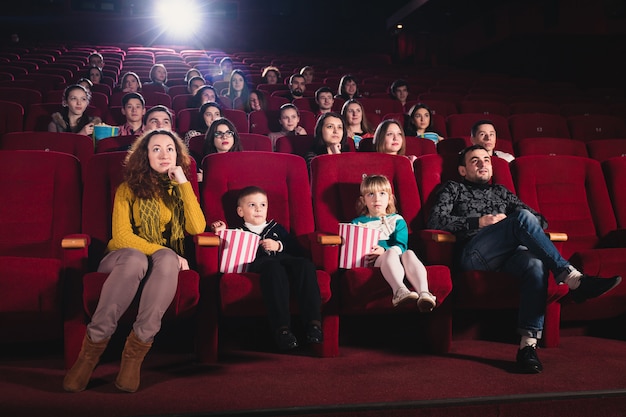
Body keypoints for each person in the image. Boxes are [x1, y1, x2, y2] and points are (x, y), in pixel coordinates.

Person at [426, 144, 622, 373]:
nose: (483, 164)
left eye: (486, 160)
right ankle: (573, 279)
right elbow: (435, 221)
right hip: (475, 253)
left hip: (509, 254)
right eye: (475, 160)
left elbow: (540, 220)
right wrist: (479, 222)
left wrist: (509, 225)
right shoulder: (453, 188)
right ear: (462, 170)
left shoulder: (500, 191)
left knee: (536, 263)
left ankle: (527, 347)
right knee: (521, 219)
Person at [63, 129, 207, 393]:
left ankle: (135, 354)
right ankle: (89, 355)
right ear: (145, 155)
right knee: (136, 258)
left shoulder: (179, 189)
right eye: (156, 149)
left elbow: (197, 228)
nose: (164, 154)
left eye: (170, 149)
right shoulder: (128, 188)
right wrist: (168, 253)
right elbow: (121, 236)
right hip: (121, 257)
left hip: (161, 262)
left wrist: (184, 185)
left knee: (164, 256)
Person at [210, 186, 323, 351]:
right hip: (262, 263)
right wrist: (220, 232)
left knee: (305, 265)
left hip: (285, 257)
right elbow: (230, 247)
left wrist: (278, 245)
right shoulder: (239, 231)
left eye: (263, 205)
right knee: (273, 268)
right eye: (252, 205)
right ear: (240, 211)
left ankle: (314, 325)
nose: (258, 209)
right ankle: (282, 330)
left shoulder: (276, 228)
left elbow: (295, 248)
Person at [352, 174, 436, 312]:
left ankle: (424, 293)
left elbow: (402, 245)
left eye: (382, 193)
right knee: (390, 253)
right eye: (371, 194)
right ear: (363, 200)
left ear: (390, 198)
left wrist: (385, 250)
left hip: (398, 256)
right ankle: (399, 290)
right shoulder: (357, 223)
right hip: (375, 261)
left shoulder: (397, 220)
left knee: (409, 253)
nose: (377, 198)